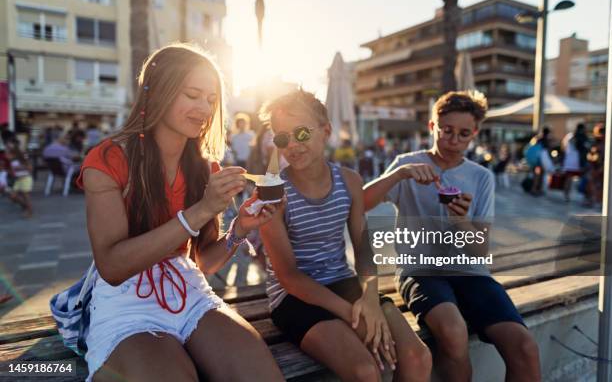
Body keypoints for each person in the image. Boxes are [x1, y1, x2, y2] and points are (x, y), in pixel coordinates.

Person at [75, 43, 284, 382]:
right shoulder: (109, 160)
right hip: (125, 304)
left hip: (191, 295)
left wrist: (240, 230)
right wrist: (200, 211)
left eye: (212, 99)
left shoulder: (204, 168)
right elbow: (112, 267)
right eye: (193, 94)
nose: (204, 108)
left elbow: (201, 262)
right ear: (157, 92)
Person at [364, 91, 541, 382]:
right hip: (420, 271)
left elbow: (479, 251)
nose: (454, 140)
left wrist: (461, 221)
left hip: (471, 271)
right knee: (453, 331)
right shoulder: (408, 164)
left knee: (525, 347)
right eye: (447, 131)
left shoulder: (481, 177)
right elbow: (362, 202)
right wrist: (398, 175)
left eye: (464, 133)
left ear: (474, 133)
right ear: (432, 127)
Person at [259, 90, 432, 381]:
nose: (293, 145)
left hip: (343, 282)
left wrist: (371, 299)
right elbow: (287, 276)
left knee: (418, 356)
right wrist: (352, 311)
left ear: (326, 131)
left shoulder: (349, 181)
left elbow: (363, 248)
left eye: (302, 132)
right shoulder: (272, 193)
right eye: (282, 137)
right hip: (294, 297)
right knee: (365, 371)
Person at [561, 124, 588, 202]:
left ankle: (566, 195)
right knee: (584, 178)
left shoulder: (569, 136)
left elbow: (563, 147)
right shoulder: (581, 137)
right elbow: (583, 148)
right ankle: (586, 197)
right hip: (577, 161)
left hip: (569, 160)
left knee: (568, 179)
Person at [6, 146, 33, 218]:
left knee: (26, 196)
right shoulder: (12, 162)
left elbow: (30, 169)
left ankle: (29, 211)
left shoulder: (22, 160)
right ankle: (24, 206)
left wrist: (21, 167)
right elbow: (13, 172)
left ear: (14, 154)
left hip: (25, 179)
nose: (7, 156)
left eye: (9, 154)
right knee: (13, 196)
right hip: (18, 180)